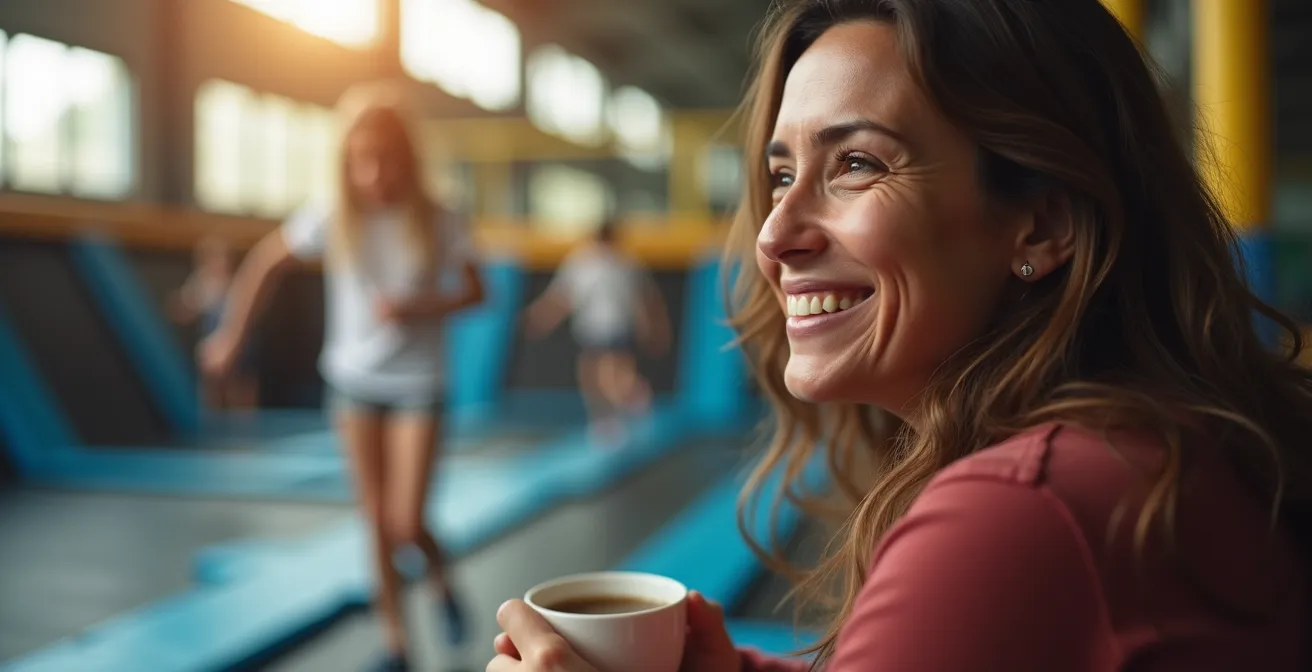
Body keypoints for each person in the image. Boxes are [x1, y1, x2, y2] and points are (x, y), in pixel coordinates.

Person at [487, 0, 1312, 670]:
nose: (774, 234)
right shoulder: (1146, 447)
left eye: (857, 164)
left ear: (1042, 222)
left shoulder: (1017, 515)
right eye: (781, 175)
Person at [199, 87, 484, 672]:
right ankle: (396, 644)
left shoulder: (441, 217)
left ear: (408, 159)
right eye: (361, 161)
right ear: (346, 162)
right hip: (353, 383)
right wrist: (232, 334)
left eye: (386, 159)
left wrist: (417, 307)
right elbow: (266, 263)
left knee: (406, 521)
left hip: (418, 384)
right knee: (375, 520)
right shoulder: (332, 214)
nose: (374, 174)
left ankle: (441, 581)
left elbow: (478, 292)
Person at [522, 219, 670, 445]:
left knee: (609, 374)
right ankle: (610, 415)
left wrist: (652, 326)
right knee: (595, 374)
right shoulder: (587, 262)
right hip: (594, 327)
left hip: (615, 326)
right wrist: (542, 317)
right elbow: (563, 297)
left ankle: (629, 399)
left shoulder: (622, 263)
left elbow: (645, 299)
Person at [170, 234, 259, 412]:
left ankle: (243, 419)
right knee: (211, 385)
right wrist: (185, 304)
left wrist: (231, 342)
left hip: (239, 345)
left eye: (220, 257)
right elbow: (184, 309)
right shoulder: (202, 282)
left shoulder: (238, 283)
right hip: (211, 344)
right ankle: (210, 415)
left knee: (240, 388)